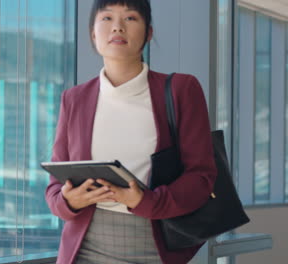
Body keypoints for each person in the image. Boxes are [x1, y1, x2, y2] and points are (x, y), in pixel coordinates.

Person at [45, 0, 217, 263]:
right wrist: (69, 201)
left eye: (130, 18)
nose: (117, 27)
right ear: (93, 33)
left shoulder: (181, 90)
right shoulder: (74, 99)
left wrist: (145, 200)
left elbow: (201, 178)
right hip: (83, 248)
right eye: (106, 19)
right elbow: (54, 188)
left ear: (148, 33)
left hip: (153, 245)